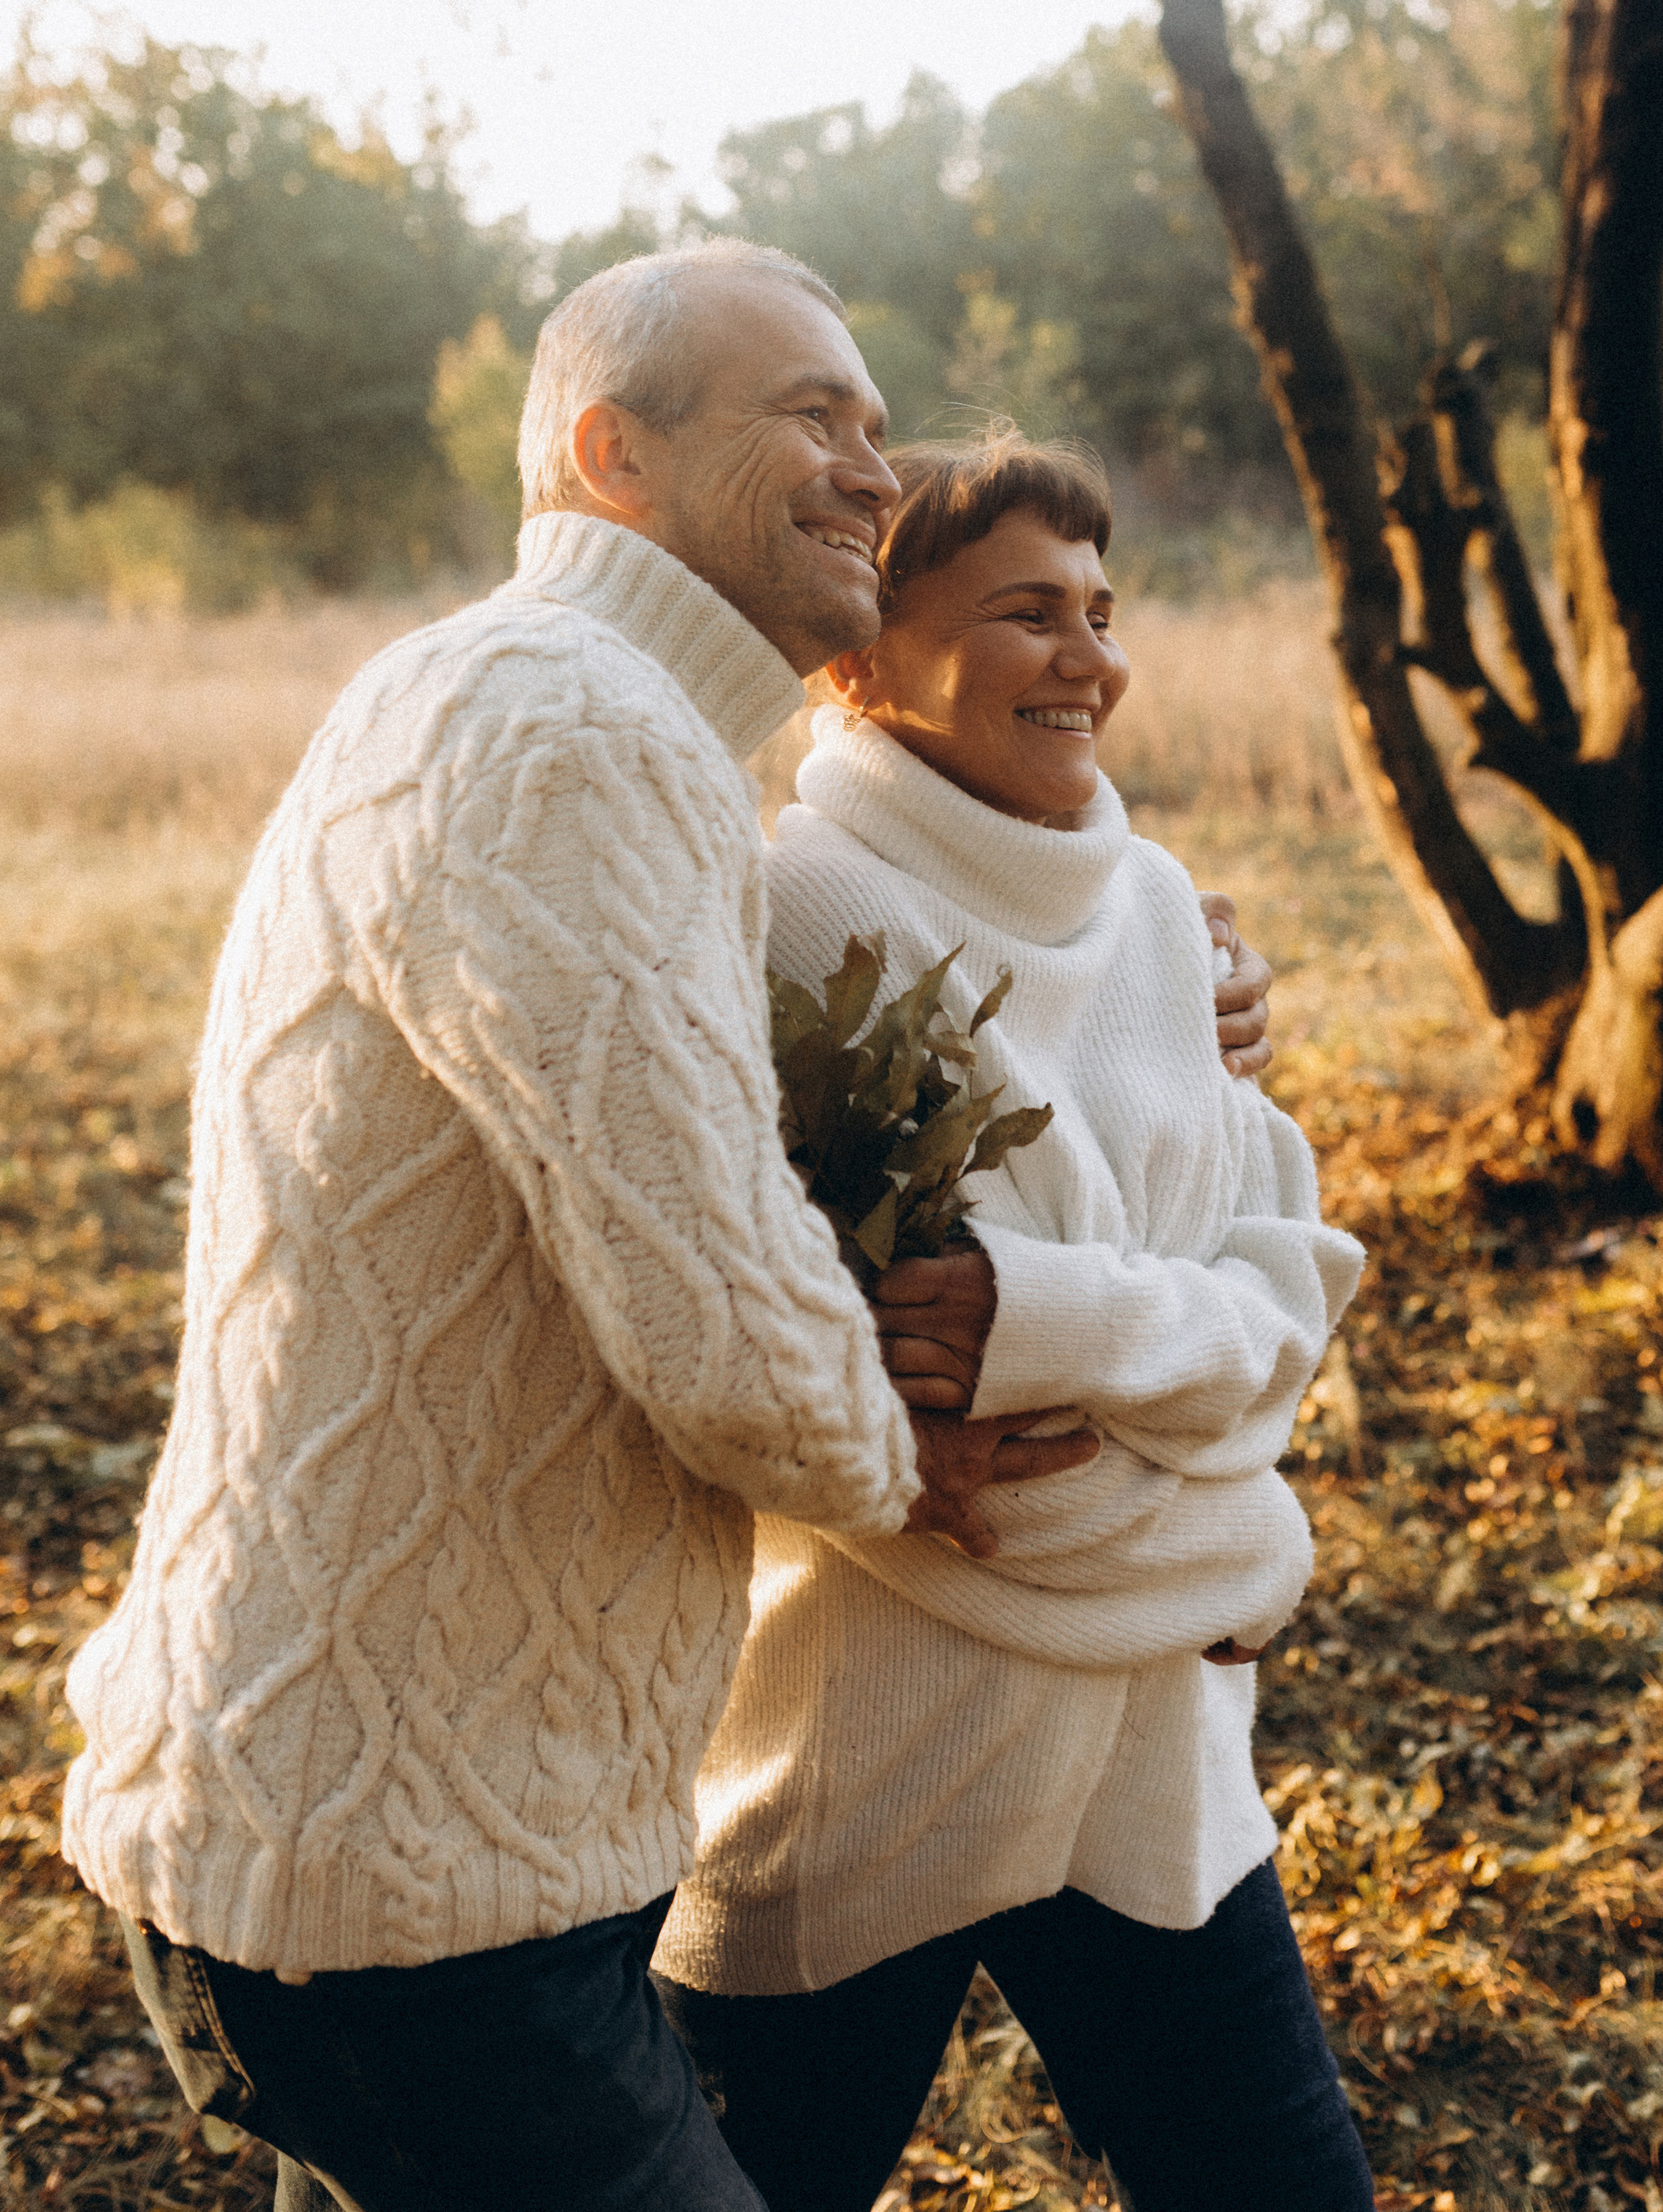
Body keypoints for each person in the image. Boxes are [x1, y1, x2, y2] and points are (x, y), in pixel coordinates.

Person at [60, 247, 1125, 2212]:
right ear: (606, 449)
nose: (872, 472)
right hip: (400, 1893)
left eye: (878, 428)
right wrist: (901, 1447)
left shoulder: (561, 712)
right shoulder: (566, 725)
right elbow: (733, 1346)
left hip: (388, 1833)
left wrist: (1172, 964)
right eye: (810, 413)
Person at [659, 431, 1375, 2212]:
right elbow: (914, 1418)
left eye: (1101, 612)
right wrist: (1214, 1519)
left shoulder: (1153, 909)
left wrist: (1050, 1326)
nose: (1088, 658)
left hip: (1152, 1752)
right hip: (879, 1726)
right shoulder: (792, 916)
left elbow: (1286, 1293)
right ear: (859, 654)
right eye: (1024, 612)